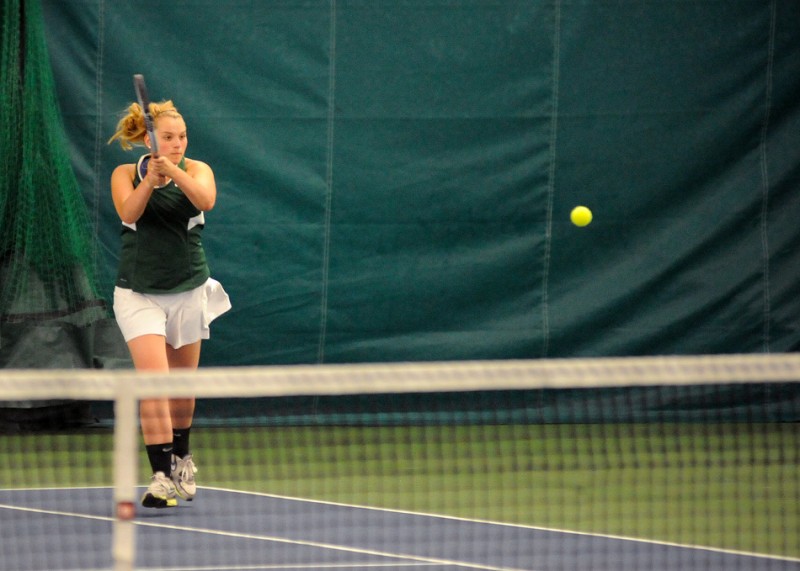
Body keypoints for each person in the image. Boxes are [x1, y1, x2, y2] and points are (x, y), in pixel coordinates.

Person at [108, 100, 231, 508]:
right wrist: (150, 180)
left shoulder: (198, 170)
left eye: (181, 137)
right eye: (168, 138)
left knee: (180, 389)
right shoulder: (124, 174)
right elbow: (129, 211)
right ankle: (160, 475)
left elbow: (205, 200)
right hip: (138, 292)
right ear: (149, 139)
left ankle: (182, 455)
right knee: (154, 384)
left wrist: (172, 170)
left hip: (188, 289)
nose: (177, 143)